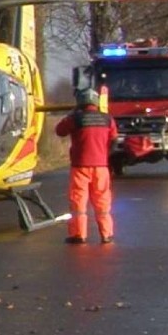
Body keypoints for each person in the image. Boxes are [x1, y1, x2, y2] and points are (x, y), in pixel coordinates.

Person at [55, 88, 119, 245]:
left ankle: (79, 235)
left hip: (80, 166)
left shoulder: (76, 119)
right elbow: (114, 140)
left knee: (78, 201)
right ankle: (106, 234)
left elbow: (60, 131)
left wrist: (71, 114)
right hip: (101, 167)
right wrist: (105, 156)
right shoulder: (107, 119)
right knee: (102, 201)